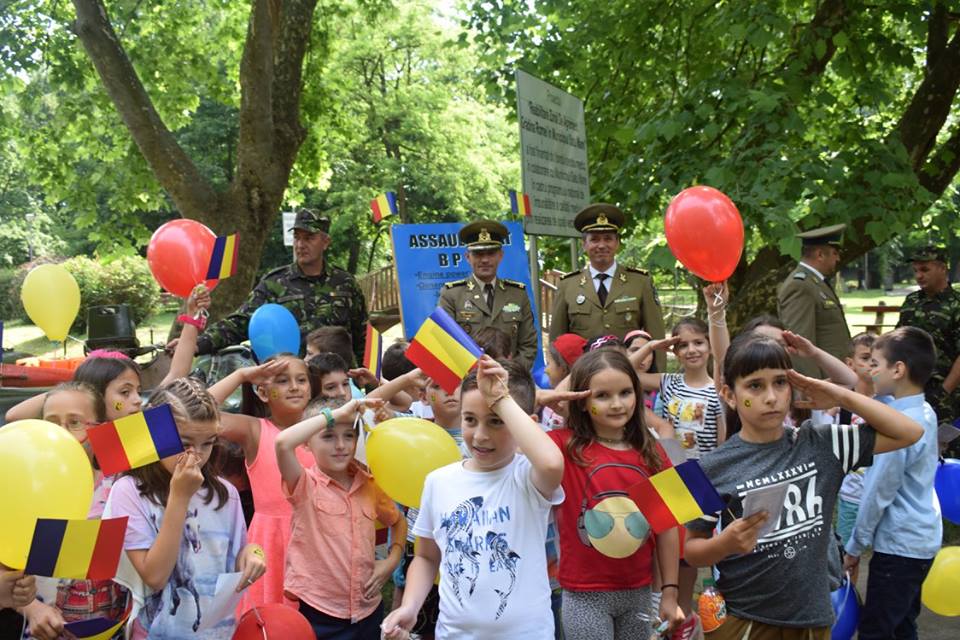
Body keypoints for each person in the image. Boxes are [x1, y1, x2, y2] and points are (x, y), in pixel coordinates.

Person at [684, 334, 923, 639]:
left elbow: (910, 432)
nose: (771, 397)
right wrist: (724, 544)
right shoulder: (706, 469)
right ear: (729, 395)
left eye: (780, 382)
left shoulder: (823, 442)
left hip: (813, 621)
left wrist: (840, 395)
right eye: (755, 385)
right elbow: (691, 552)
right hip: (742, 622)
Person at [382, 358, 565, 639]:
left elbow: (553, 464)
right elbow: (426, 557)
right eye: (470, 420)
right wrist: (410, 605)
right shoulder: (438, 482)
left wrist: (501, 399)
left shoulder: (528, 477)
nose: (480, 435)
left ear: (522, 425)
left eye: (496, 421)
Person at [104, 378, 266, 639]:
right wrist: (179, 497)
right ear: (157, 434)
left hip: (219, 632)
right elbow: (154, 577)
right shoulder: (129, 491)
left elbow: (234, 559)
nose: (197, 455)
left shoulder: (226, 494)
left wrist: (253, 554)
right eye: (185, 442)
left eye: (208, 443)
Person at [547, 349, 683, 640]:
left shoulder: (655, 452)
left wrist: (670, 591)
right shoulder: (563, 447)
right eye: (602, 395)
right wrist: (548, 397)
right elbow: (520, 417)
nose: (617, 404)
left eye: (625, 392)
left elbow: (669, 526)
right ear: (581, 401)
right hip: (584, 595)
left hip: (639, 592)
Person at [275, 396, 405, 638]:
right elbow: (282, 443)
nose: (341, 445)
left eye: (349, 435)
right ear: (306, 443)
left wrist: (391, 560)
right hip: (321, 613)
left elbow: (398, 521)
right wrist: (332, 415)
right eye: (328, 436)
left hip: (369, 610)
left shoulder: (369, 484)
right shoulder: (304, 484)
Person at [843, 327, 941, 640]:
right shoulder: (920, 409)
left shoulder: (897, 427)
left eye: (875, 364)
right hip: (920, 540)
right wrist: (812, 353)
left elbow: (877, 493)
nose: (869, 371)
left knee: (876, 630)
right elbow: (853, 386)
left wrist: (855, 546)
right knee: (901, 626)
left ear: (898, 370)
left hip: (899, 546)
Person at [206, 356, 315, 614]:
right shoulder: (254, 430)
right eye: (283, 381)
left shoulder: (324, 429)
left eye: (301, 380)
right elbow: (192, 413)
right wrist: (241, 375)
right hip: (272, 542)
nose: (295, 386)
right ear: (263, 393)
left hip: (317, 538)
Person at [22, 382, 127, 640]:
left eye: (75, 422)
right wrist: (31, 608)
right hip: (43, 633)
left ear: (100, 430)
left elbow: (180, 422)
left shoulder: (120, 486)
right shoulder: (24, 487)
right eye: (52, 422)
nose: (61, 433)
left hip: (113, 632)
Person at [194, 208, 368, 364]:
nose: (300, 245)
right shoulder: (274, 283)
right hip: (293, 382)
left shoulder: (345, 284)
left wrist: (371, 385)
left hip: (338, 384)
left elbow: (363, 336)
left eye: (309, 238)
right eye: (297, 237)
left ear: (326, 242)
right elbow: (241, 322)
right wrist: (197, 344)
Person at [548, 204, 666, 371]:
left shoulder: (640, 282)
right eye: (594, 239)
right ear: (584, 244)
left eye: (608, 238)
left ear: (617, 243)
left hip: (628, 373)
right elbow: (557, 340)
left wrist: (659, 381)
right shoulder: (568, 285)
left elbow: (656, 335)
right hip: (583, 375)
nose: (601, 245)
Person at [438, 220, 538, 368]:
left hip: (509, 380)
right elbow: (445, 343)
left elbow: (528, 345)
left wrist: (509, 373)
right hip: (469, 381)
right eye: (478, 254)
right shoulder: (451, 294)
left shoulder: (518, 294)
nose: (485, 260)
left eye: (491, 253)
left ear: (501, 255)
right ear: (468, 257)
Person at [896, 246, 960, 446]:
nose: (919, 276)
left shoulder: (956, 305)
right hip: (911, 389)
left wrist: (944, 392)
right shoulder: (911, 301)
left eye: (925, 270)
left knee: (944, 450)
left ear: (942, 268)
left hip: (947, 395)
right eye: (915, 270)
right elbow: (897, 341)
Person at [777, 223, 851, 377]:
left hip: (835, 376)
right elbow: (799, 344)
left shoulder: (814, 282)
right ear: (820, 255)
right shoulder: (800, 286)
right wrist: (812, 387)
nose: (838, 258)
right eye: (835, 252)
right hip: (825, 381)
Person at [835, 332, 877, 550]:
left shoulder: (887, 404)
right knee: (844, 553)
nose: (871, 364)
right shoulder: (841, 406)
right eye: (865, 357)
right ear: (850, 364)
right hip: (851, 495)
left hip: (879, 496)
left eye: (877, 359)